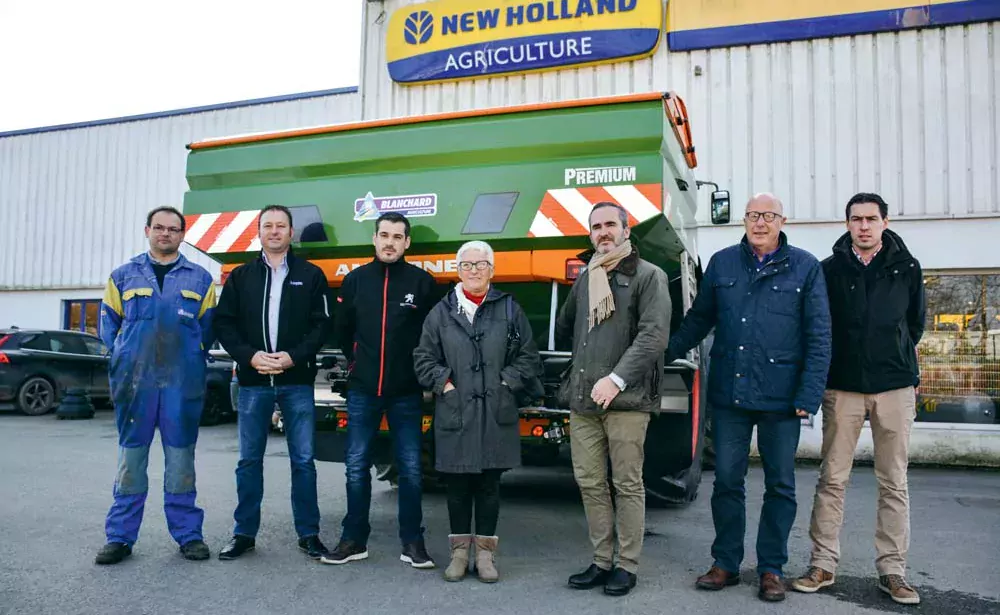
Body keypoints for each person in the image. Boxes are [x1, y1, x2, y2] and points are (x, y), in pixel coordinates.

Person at [667, 193, 831, 602]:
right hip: (730, 396)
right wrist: (661, 353)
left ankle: (771, 568)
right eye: (754, 215)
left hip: (782, 399)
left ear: (782, 220)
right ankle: (725, 563)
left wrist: (809, 394)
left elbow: (819, 335)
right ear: (743, 220)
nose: (760, 222)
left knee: (780, 485)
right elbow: (699, 320)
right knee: (726, 481)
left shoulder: (806, 268)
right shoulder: (723, 264)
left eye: (769, 216)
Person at [791, 193, 925, 606]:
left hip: (894, 388)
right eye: (856, 219)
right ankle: (823, 564)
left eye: (871, 219)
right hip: (843, 387)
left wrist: (896, 359)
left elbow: (914, 325)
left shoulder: (907, 268)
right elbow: (818, 328)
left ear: (885, 222)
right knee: (832, 478)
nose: (863, 226)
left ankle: (892, 570)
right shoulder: (828, 270)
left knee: (894, 482)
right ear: (847, 223)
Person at [557, 202, 672, 597]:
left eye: (610, 225)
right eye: (595, 227)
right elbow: (568, 325)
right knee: (590, 482)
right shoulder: (587, 277)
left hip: (627, 400)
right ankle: (601, 561)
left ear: (626, 230)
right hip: (584, 400)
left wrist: (616, 379)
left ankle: (627, 565)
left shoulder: (648, 276)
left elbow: (654, 337)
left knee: (626, 483)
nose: (602, 232)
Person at [413, 240, 543, 583]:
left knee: (488, 486)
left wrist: (506, 384)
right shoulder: (441, 312)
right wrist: (446, 384)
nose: (474, 270)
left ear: (492, 269)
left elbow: (529, 356)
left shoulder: (509, 309)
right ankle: (459, 554)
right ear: (458, 270)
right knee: (456, 487)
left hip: (494, 412)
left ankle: (485, 555)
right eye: (467, 265)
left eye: (481, 264)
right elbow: (423, 358)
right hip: (455, 412)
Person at [95, 206, 216, 565]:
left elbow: (206, 332)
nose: (166, 234)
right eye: (159, 228)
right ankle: (119, 537)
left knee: (181, 462)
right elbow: (108, 330)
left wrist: (190, 360)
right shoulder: (122, 276)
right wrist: (125, 359)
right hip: (135, 385)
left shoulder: (200, 280)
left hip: (182, 384)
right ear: (147, 230)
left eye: (173, 229)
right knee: (131, 462)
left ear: (183, 233)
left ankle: (188, 535)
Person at [213, 204, 333, 561]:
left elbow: (322, 325)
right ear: (259, 232)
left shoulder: (311, 275)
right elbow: (224, 325)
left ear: (291, 233)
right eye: (268, 226)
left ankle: (309, 534)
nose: (275, 231)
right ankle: (244, 534)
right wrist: (249, 356)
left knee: (303, 461)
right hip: (252, 381)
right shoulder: (240, 277)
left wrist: (293, 356)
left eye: (281, 226)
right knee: (249, 460)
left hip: (296, 381)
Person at [323, 212, 437, 568]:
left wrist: (421, 376)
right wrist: (357, 363)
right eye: (384, 235)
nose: (390, 242)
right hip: (363, 390)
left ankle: (413, 543)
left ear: (407, 243)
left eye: (397, 236)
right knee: (356, 466)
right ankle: (353, 539)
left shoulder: (423, 283)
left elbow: (431, 338)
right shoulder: (355, 281)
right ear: (374, 239)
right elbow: (342, 332)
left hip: (406, 392)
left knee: (411, 469)